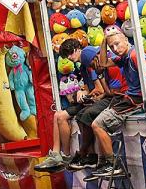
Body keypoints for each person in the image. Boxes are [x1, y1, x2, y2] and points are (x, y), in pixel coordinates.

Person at [87, 31, 146, 180]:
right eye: (112, 47)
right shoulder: (124, 57)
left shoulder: (135, 55)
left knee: (97, 124)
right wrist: (104, 42)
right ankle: (104, 163)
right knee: (96, 121)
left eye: (117, 43)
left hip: (135, 100)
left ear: (125, 39)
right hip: (128, 98)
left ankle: (113, 165)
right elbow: (104, 63)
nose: (115, 48)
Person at [35, 39, 108, 173]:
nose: (69, 58)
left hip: (98, 100)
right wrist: (81, 92)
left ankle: (69, 155)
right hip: (89, 100)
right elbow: (88, 87)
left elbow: (100, 89)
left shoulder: (89, 61)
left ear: (77, 49)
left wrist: (87, 95)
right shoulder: (83, 67)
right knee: (59, 114)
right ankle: (58, 154)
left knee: (67, 116)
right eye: (66, 56)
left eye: (70, 54)